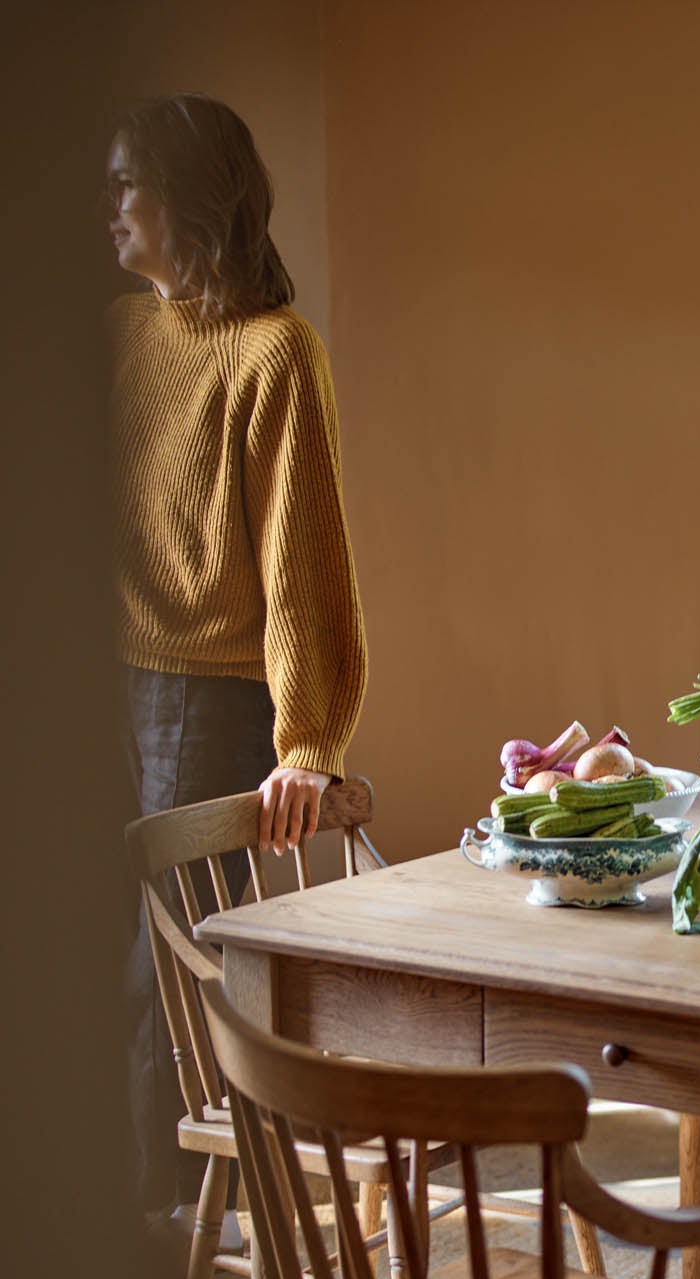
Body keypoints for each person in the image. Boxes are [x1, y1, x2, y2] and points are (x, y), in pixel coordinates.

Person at [109, 93, 368, 1217]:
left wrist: (308, 739)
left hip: (205, 700)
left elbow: (299, 560)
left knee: (159, 964)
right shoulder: (121, 335)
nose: (110, 207)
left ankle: (160, 1199)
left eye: (129, 184)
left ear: (190, 198)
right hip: (98, 680)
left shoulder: (276, 354)